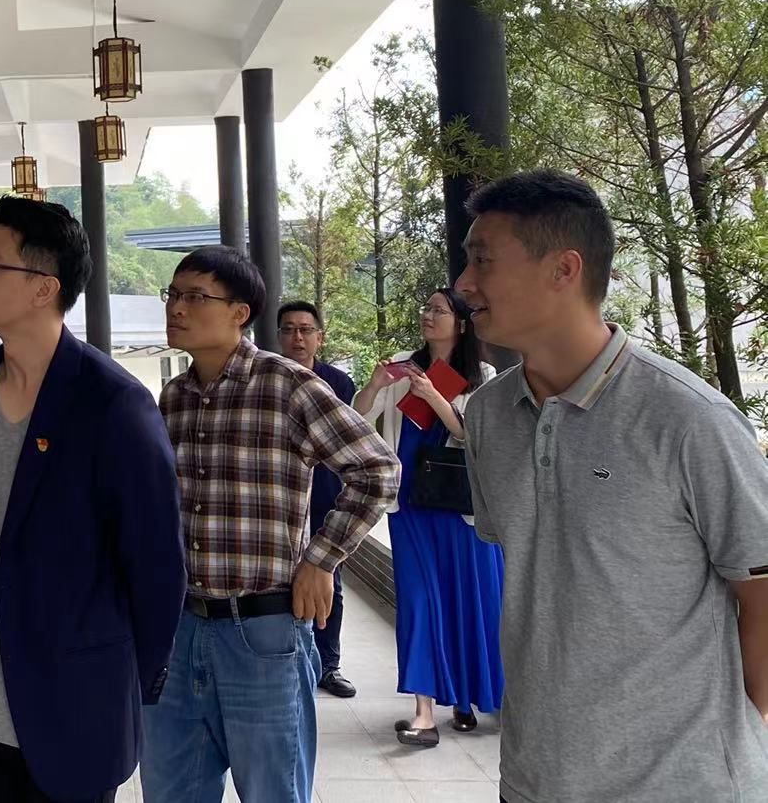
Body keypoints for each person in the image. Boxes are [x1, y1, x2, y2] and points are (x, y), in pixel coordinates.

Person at [457, 169, 768, 803]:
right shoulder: (488, 414)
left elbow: (762, 595)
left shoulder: (688, 418)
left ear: (563, 269)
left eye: (482, 260)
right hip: (534, 778)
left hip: (680, 786)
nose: (464, 283)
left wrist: (730, 743)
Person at [0, 196, 185, 802]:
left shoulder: (114, 405)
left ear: (44, 288)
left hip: (74, 716)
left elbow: (157, 570)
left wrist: (119, 684)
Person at [143, 247, 399, 803]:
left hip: (263, 632)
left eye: (195, 296)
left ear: (239, 312)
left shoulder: (288, 385)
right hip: (180, 629)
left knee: (273, 792)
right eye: (173, 295)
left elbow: (377, 469)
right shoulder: (174, 397)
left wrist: (321, 560)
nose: (177, 308)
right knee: (170, 790)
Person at [353, 287, 504, 745]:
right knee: (419, 601)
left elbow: (471, 434)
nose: (428, 315)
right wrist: (376, 385)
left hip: (458, 506)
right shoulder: (403, 365)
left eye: (438, 310)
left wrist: (434, 396)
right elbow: (360, 416)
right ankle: (423, 712)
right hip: (412, 504)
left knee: (468, 598)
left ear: (460, 322)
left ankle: (464, 701)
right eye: (426, 308)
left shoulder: (482, 374)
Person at [276, 300, 359, 699]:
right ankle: (291, 660)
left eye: (306, 329)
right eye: (289, 329)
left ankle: (328, 664)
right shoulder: (269, 379)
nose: (298, 337)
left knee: (329, 581)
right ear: (278, 336)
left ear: (320, 338)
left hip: (325, 491)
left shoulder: (337, 382)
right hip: (281, 493)